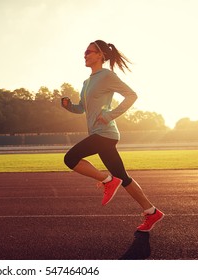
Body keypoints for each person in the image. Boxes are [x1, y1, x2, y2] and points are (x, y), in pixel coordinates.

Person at [61, 40, 164, 232]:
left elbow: (131, 95)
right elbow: (81, 109)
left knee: (70, 158)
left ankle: (108, 181)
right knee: (123, 177)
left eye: (89, 52)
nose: (85, 55)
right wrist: (69, 107)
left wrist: (109, 115)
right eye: (84, 52)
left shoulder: (107, 75)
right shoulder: (86, 82)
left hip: (105, 133)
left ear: (100, 55)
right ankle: (151, 212)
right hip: (98, 133)